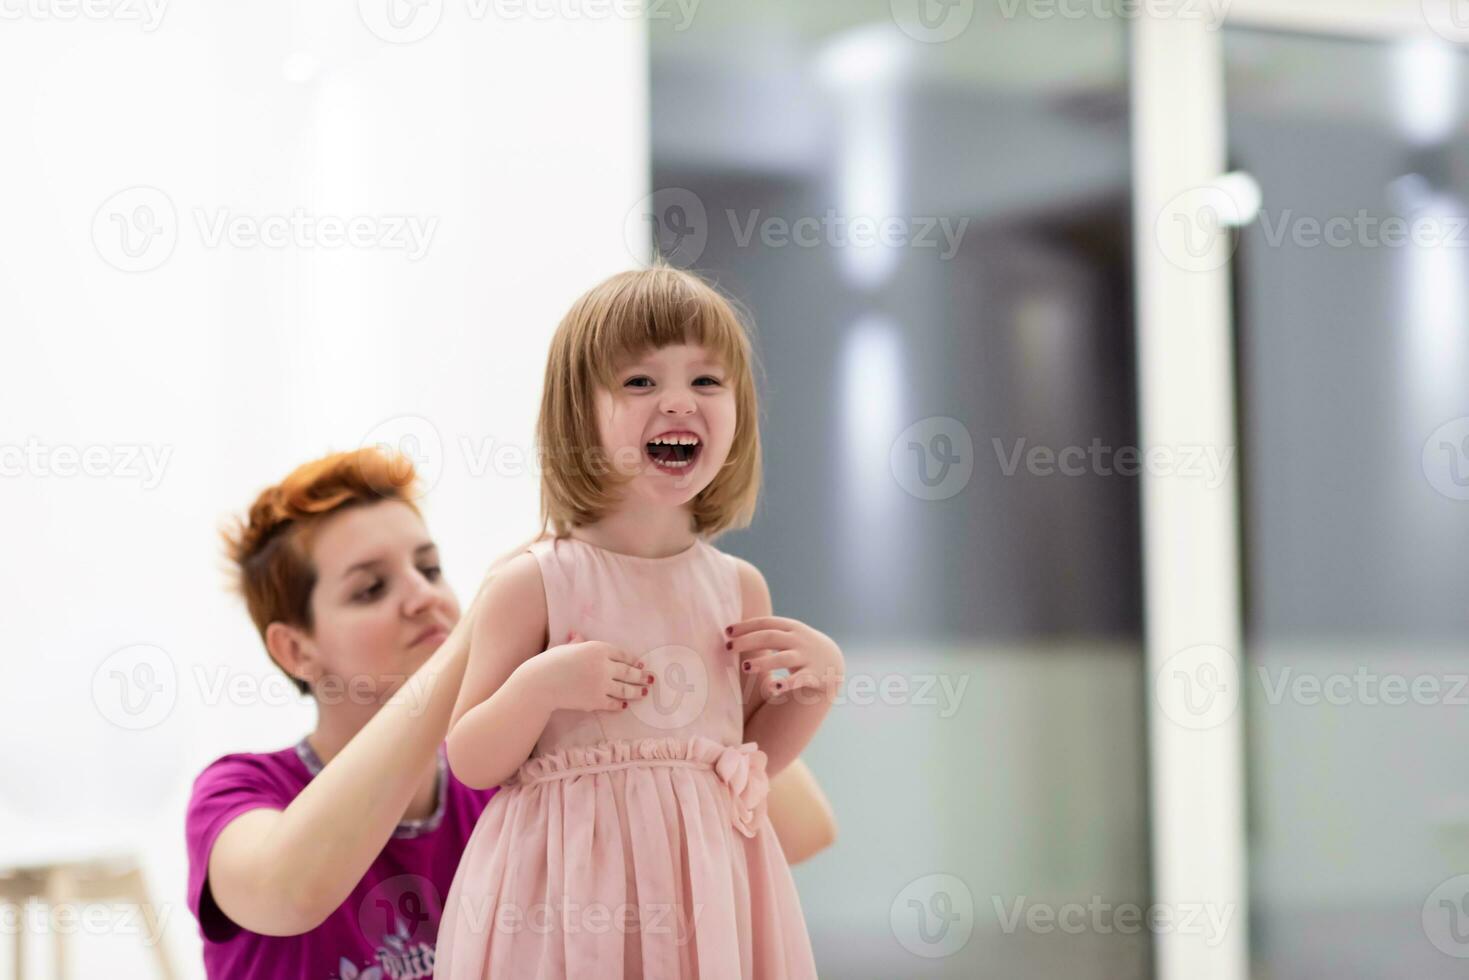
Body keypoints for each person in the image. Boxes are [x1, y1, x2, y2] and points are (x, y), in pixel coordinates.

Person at [183, 447, 837, 979]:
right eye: (371, 588)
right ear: (295, 649)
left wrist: (659, 613)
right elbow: (285, 894)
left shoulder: (521, 772)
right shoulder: (239, 790)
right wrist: (486, 625)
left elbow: (804, 831)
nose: (422, 597)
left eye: (430, 567)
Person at [436, 266, 843, 978]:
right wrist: (541, 686)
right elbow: (470, 760)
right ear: (578, 414)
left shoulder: (737, 587)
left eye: (706, 381)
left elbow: (747, 766)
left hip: (706, 899)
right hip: (563, 904)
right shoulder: (534, 581)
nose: (678, 402)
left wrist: (816, 688)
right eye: (640, 382)